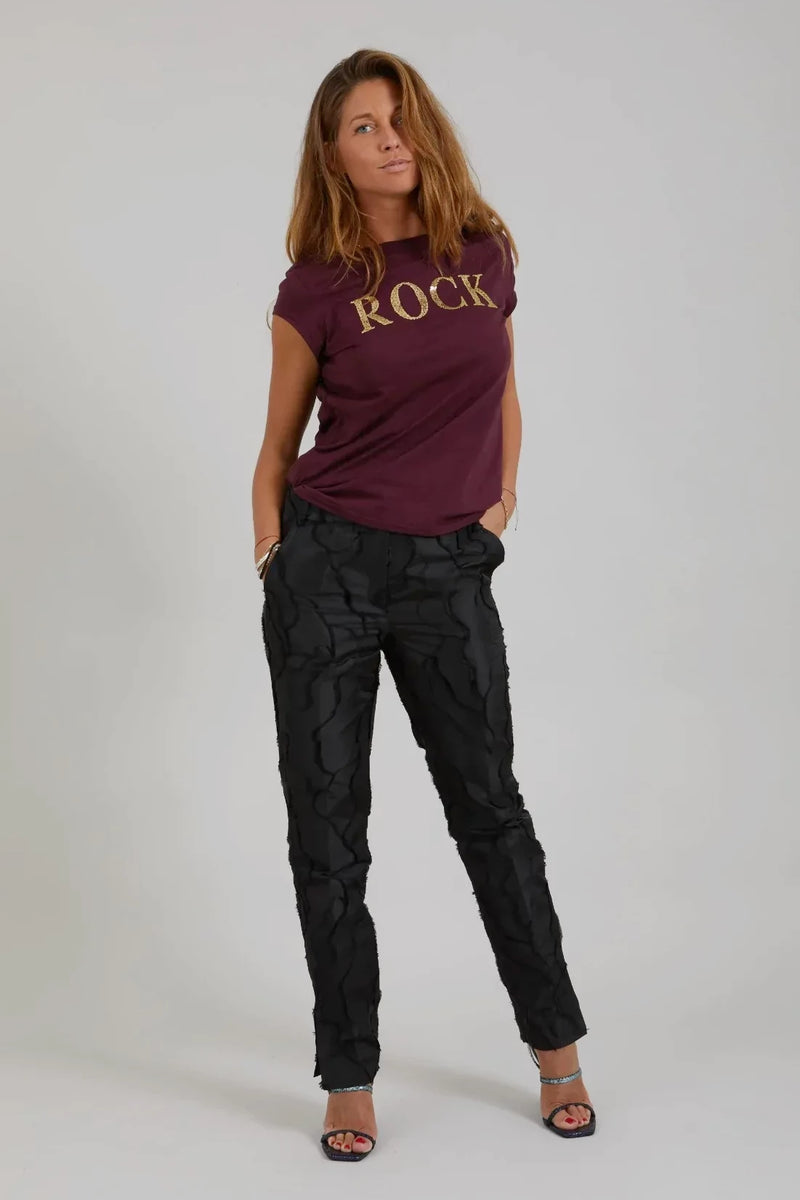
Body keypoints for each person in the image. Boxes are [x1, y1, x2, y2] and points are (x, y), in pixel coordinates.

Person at [251, 48, 596, 1161]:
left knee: (491, 813)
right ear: (333, 152)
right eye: (363, 125)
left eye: (399, 118)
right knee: (328, 831)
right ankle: (347, 1074)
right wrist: (276, 557)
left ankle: (557, 1053)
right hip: (329, 570)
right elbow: (276, 449)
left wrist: (496, 513)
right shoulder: (314, 286)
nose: (389, 137)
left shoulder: (482, 253)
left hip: (448, 569)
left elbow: (502, 395)